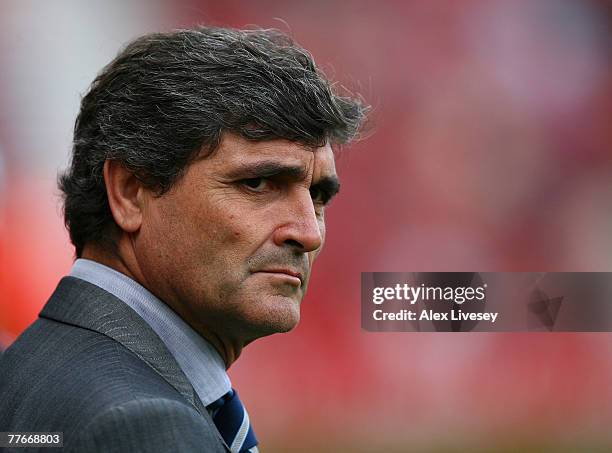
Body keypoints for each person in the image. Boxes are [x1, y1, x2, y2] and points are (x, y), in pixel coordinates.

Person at [0, 26, 366, 452]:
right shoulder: (145, 427)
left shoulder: (24, 370)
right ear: (130, 192)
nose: (307, 232)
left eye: (318, 196)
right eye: (259, 183)